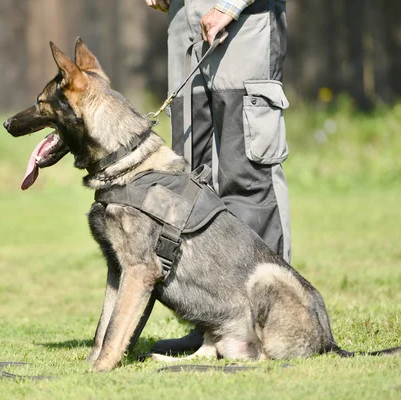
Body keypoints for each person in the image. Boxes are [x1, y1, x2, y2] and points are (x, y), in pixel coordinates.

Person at [144, 0, 292, 353]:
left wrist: (228, 5)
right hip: (184, 18)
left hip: (245, 19)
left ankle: (268, 326)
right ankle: (213, 327)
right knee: (192, 181)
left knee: (247, 176)